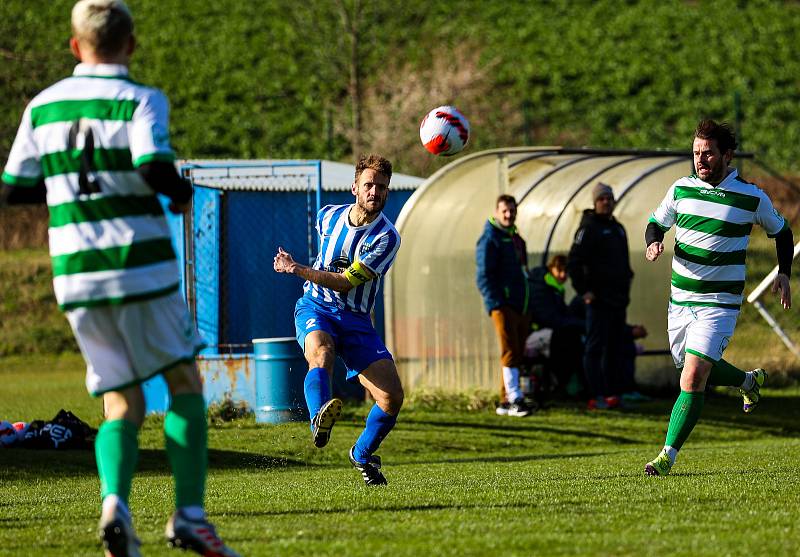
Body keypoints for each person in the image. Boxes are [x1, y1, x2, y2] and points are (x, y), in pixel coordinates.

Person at [1, 2, 240, 556]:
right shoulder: (139, 98)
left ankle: (115, 505)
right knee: (183, 385)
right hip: (139, 265)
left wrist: (67, 193)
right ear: (131, 44)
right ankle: (189, 516)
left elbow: (14, 187)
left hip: (76, 277)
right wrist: (180, 195)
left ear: (73, 45)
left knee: (120, 400)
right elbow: (154, 165)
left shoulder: (43, 106)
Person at [643, 119, 793, 476]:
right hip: (680, 302)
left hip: (719, 304)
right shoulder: (680, 189)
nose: (701, 159)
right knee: (693, 370)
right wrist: (653, 241)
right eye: (696, 153)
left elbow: (783, 233)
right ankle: (748, 381)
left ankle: (667, 456)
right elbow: (655, 223)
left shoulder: (751, 196)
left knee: (693, 376)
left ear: (727, 155)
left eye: (708, 153)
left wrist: (784, 273)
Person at [273, 153, 404, 486]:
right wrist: (302, 272)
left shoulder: (387, 238)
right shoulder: (327, 216)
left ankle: (361, 453)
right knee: (321, 352)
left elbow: (347, 281)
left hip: (356, 320)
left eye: (382, 188)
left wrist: (297, 268)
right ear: (354, 188)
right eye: (369, 185)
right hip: (316, 307)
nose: (375, 192)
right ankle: (319, 415)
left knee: (391, 398)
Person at [567, 182, 634, 409]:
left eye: (609, 198)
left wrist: (626, 287)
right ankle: (595, 395)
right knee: (594, 348)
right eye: (601, 199)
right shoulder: (588, 228)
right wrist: (584, 292)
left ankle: (612, 394)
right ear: (595, 203)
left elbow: (624, 264)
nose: (606, 202)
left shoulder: (618, 228)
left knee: (614, 349)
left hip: (617, 302)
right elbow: (573, 263)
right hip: (597, 302)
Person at [476, 194, 533, 417]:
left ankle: (505, 400)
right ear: (497, 212)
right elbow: (483, 275)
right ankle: (515, 398)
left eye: (512, 210)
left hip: (520, 304)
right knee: (509, 349)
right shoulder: (490, 239)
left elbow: (523, 271)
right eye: (504, 211)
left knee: (515, 351)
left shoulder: (516, 238)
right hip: (503, 304)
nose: (509, 214)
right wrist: (496, 302)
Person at [528, 255, 585, 397]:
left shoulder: (555, 288)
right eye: (559, 270)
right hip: (533, 335)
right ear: (551, 268)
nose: (563, 275)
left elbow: (561, 316)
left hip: (547, 332)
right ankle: (564, 385)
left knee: (573, 338)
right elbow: (551, 319)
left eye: (566, 272)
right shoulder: (541, 287)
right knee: (567, 339)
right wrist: (584, 325)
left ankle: (571, 385)